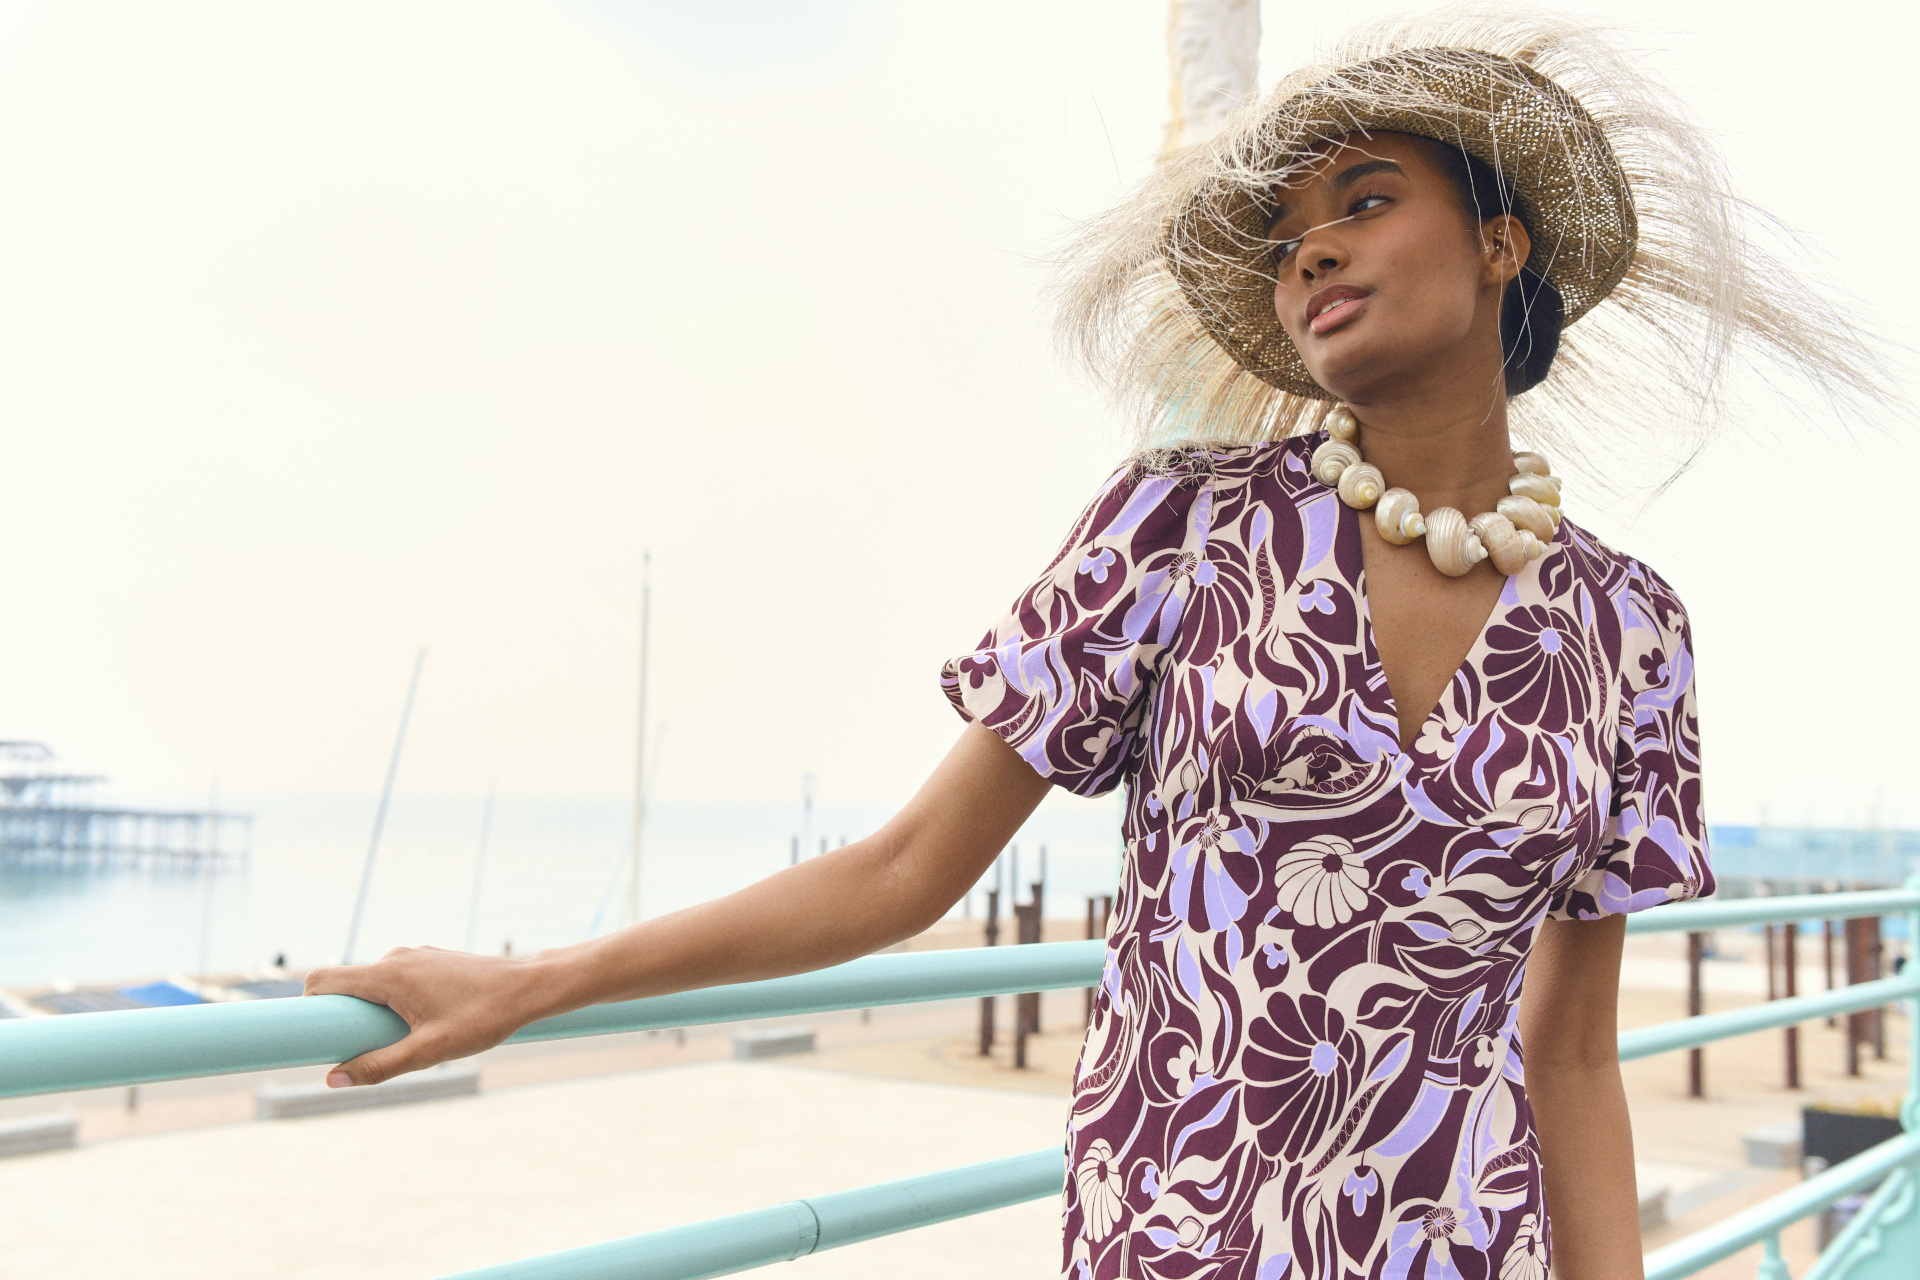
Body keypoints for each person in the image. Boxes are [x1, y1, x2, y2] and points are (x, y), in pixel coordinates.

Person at [304, 11, 1878, 1278]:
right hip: (1171, 1239)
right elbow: (906, 871)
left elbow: (1576, 1060)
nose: (1312, 250)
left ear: (1502, 246)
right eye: (1288, 237)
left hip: (1457, 1245)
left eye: (1366, 202)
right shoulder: (1177, 528)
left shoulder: (1627, 635)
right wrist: (536, 980)